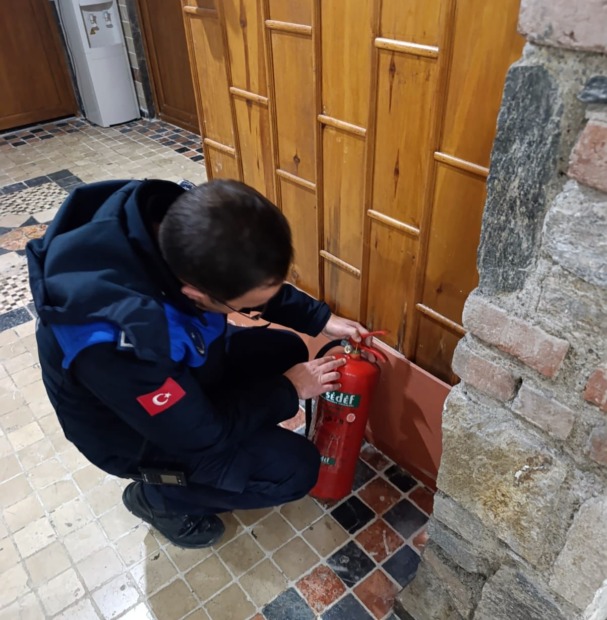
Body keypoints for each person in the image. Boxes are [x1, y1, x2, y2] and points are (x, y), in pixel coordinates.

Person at [26, 178, 369, 549]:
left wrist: (320, 318)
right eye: (243, 307)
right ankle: (159, 499)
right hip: (135, 431)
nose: (251, 309)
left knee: (285, 349)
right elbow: (199, 434)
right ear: (195, 294)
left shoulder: (175, 221)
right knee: (295, 470)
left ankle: (241, 432)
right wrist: (290, 389)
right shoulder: (118, 340)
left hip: (176, 363)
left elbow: (243, 279)